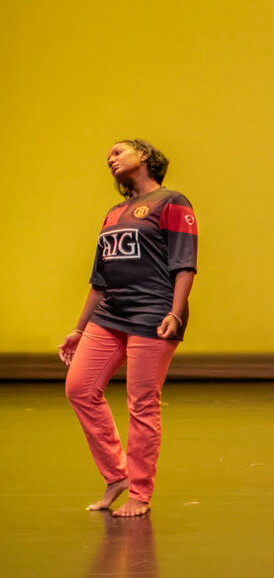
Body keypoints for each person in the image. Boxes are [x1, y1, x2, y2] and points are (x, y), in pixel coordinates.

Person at [59, 139, 197, 517]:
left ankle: (139, 492)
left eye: (119, 152)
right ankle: (116, 475)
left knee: (142, 404)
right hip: (109, 314)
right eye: (108, 157)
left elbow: (184, 263)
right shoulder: (114, 212)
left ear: (146, 157)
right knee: (80, 388)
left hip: (152, 313)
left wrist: (175, 311)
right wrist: (78, 328)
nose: (111, 159)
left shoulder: (172, 201)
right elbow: (99, 279)